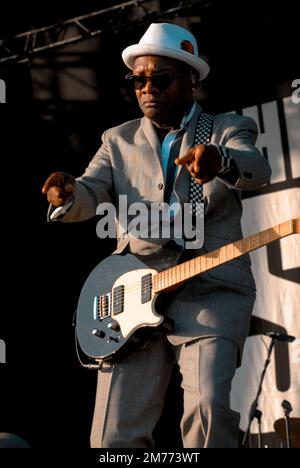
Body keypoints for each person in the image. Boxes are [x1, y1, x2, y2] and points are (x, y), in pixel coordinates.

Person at [42, 23, 271, 448]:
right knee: (112, 436)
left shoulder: (226, 127)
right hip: (131, 293)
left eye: (161, 79)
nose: (148, 88)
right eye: (139, 80)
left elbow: (255, 168)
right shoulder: (117, 139)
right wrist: (68, 194)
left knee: (207, 415)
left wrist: (220, 160)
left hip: (209, 288)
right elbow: (90, 191)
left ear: (193, 82)